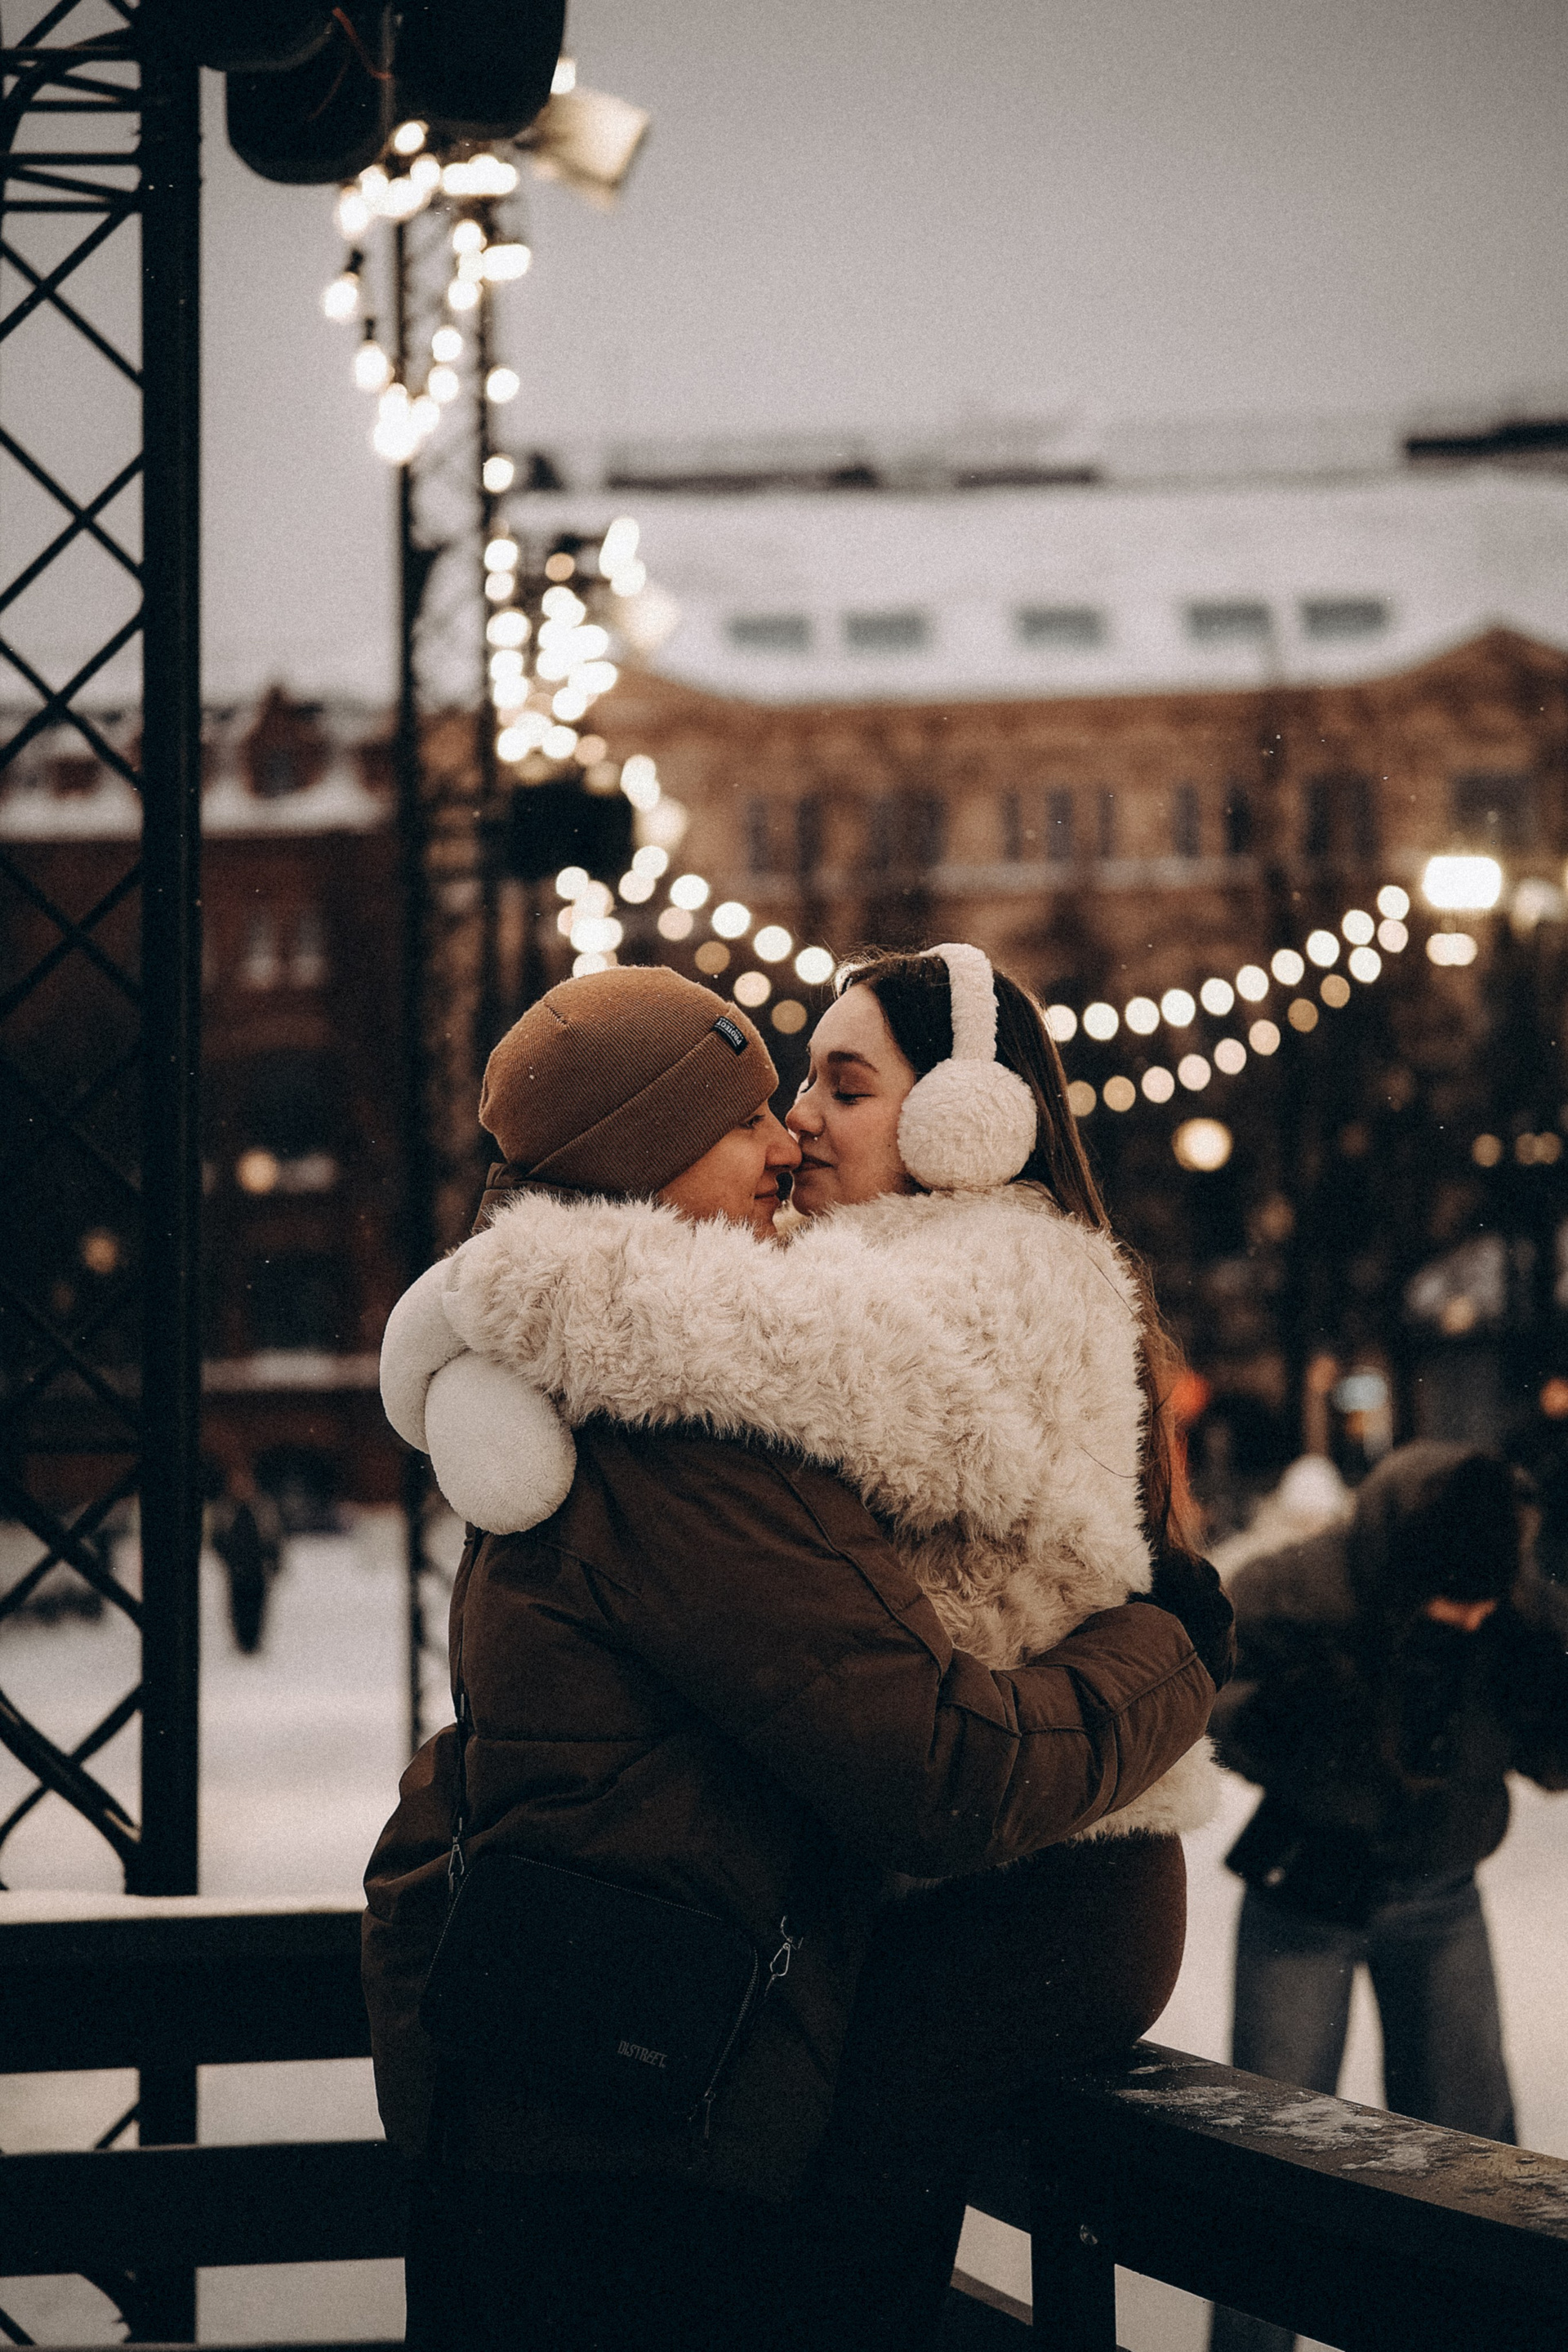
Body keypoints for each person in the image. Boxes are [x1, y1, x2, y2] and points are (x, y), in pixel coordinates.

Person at [364, 959, 1230, 2352]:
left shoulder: (656, 1379)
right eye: (752, 1113)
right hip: (631, 2112)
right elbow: (943, 1770)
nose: (790, 1137)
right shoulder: (678, 1419)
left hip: (583, 2074)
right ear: (644, 1159)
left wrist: (489, 1300)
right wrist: (1173, 1650)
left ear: (964, 1120)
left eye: (832, 1088)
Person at [1208, 1441, 1568, 2352]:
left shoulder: (1512, 1598)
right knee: (1268, 2160)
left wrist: (1549, 1700)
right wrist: (1279, 1721)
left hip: (1442, 1896)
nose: (1473, 1614)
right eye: (1455, 1599)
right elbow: (1203, 1681)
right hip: (1306, 1893)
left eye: (1487, 1600)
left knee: (1475, 2162)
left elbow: (1552, 1755)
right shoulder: (1305, 1585)